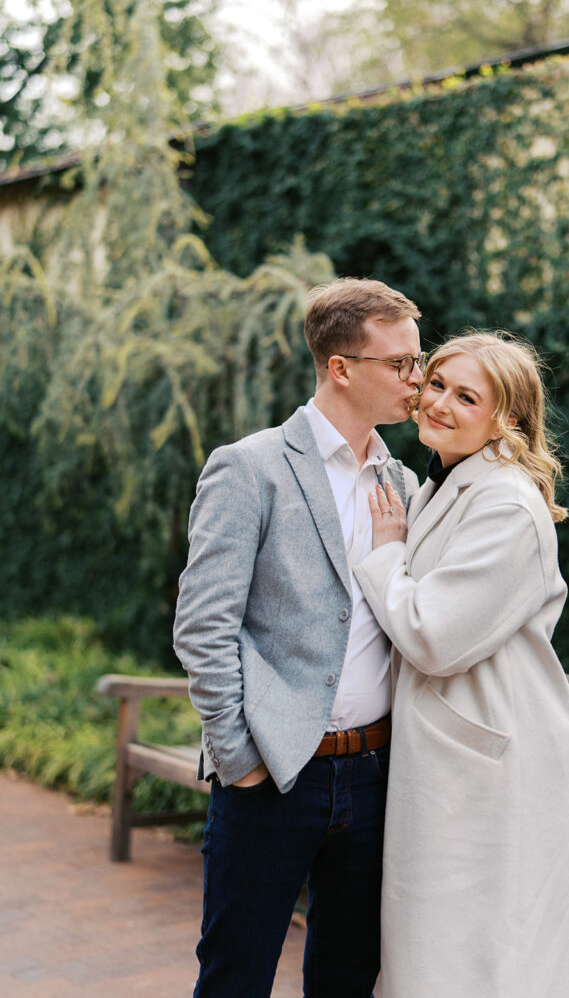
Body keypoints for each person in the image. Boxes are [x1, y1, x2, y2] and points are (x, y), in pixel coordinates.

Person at [172, 277, 425, 998]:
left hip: (376, 776)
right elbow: (202, 625)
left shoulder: (405, 483)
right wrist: (238, 755)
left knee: (347, 979)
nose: (417, 379)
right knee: (234, 978)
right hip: (273, 775)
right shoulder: (249, 468)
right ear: (340, 368)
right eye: (400, 364)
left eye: (418, 360)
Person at [354, 331, 569, 998]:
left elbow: (432, 636)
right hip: (446, 756)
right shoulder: (446, 482)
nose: (440, 403)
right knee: (438, 951)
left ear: (506, 418)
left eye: (466, 395)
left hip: (488, 765)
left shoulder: (507, 503)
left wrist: (383, 553)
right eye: (436, 385)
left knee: (484, 955)